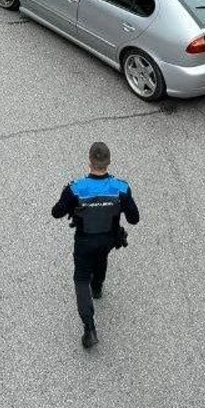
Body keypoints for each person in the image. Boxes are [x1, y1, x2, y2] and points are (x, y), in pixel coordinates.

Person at [51, 142, 139, 348]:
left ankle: (89, 328)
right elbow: (134, 219)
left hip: (84, 240)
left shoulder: (76, 188)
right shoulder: (121, 188)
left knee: (81, 277)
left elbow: (56, 212)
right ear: (108, 162)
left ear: (90, 161)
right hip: (108, 239)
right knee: (101, 258)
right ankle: (97, 288)